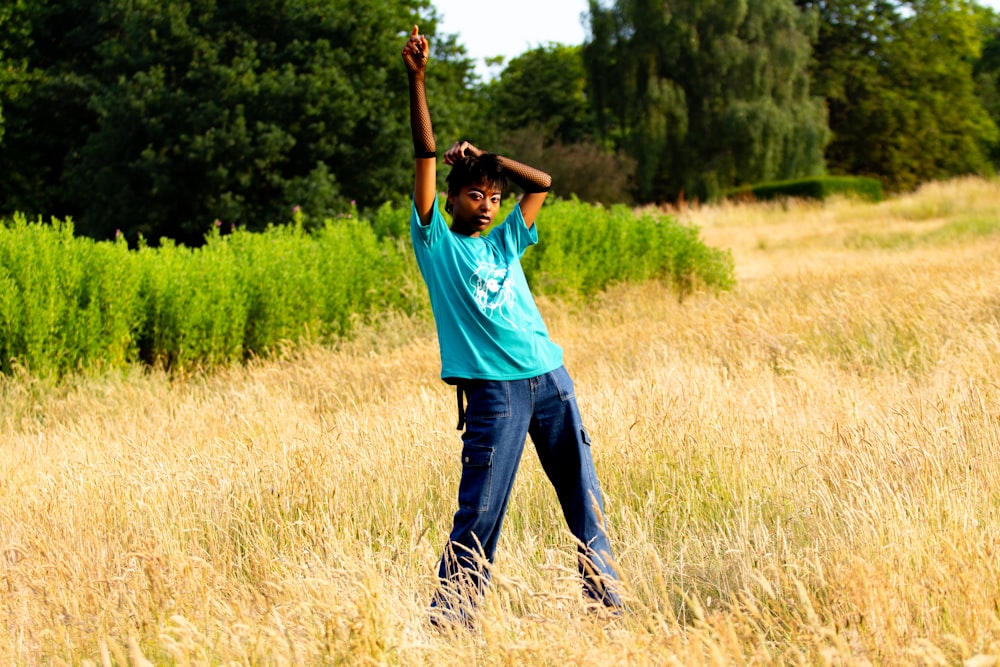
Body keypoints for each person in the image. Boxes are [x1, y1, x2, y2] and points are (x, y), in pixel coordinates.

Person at [401, 25, 623, 626]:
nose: (489, 203)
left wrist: (494, 160)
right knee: (480, 513)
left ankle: (609, 607)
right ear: (452, 200)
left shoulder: (506, 242)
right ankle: (452, 621)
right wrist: (418, 79)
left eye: (493, 196)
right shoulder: (436, 242)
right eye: (476, 194)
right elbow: (424, 155)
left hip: (551, 381)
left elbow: (543, 183)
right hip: (495, 396)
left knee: (586, 503)